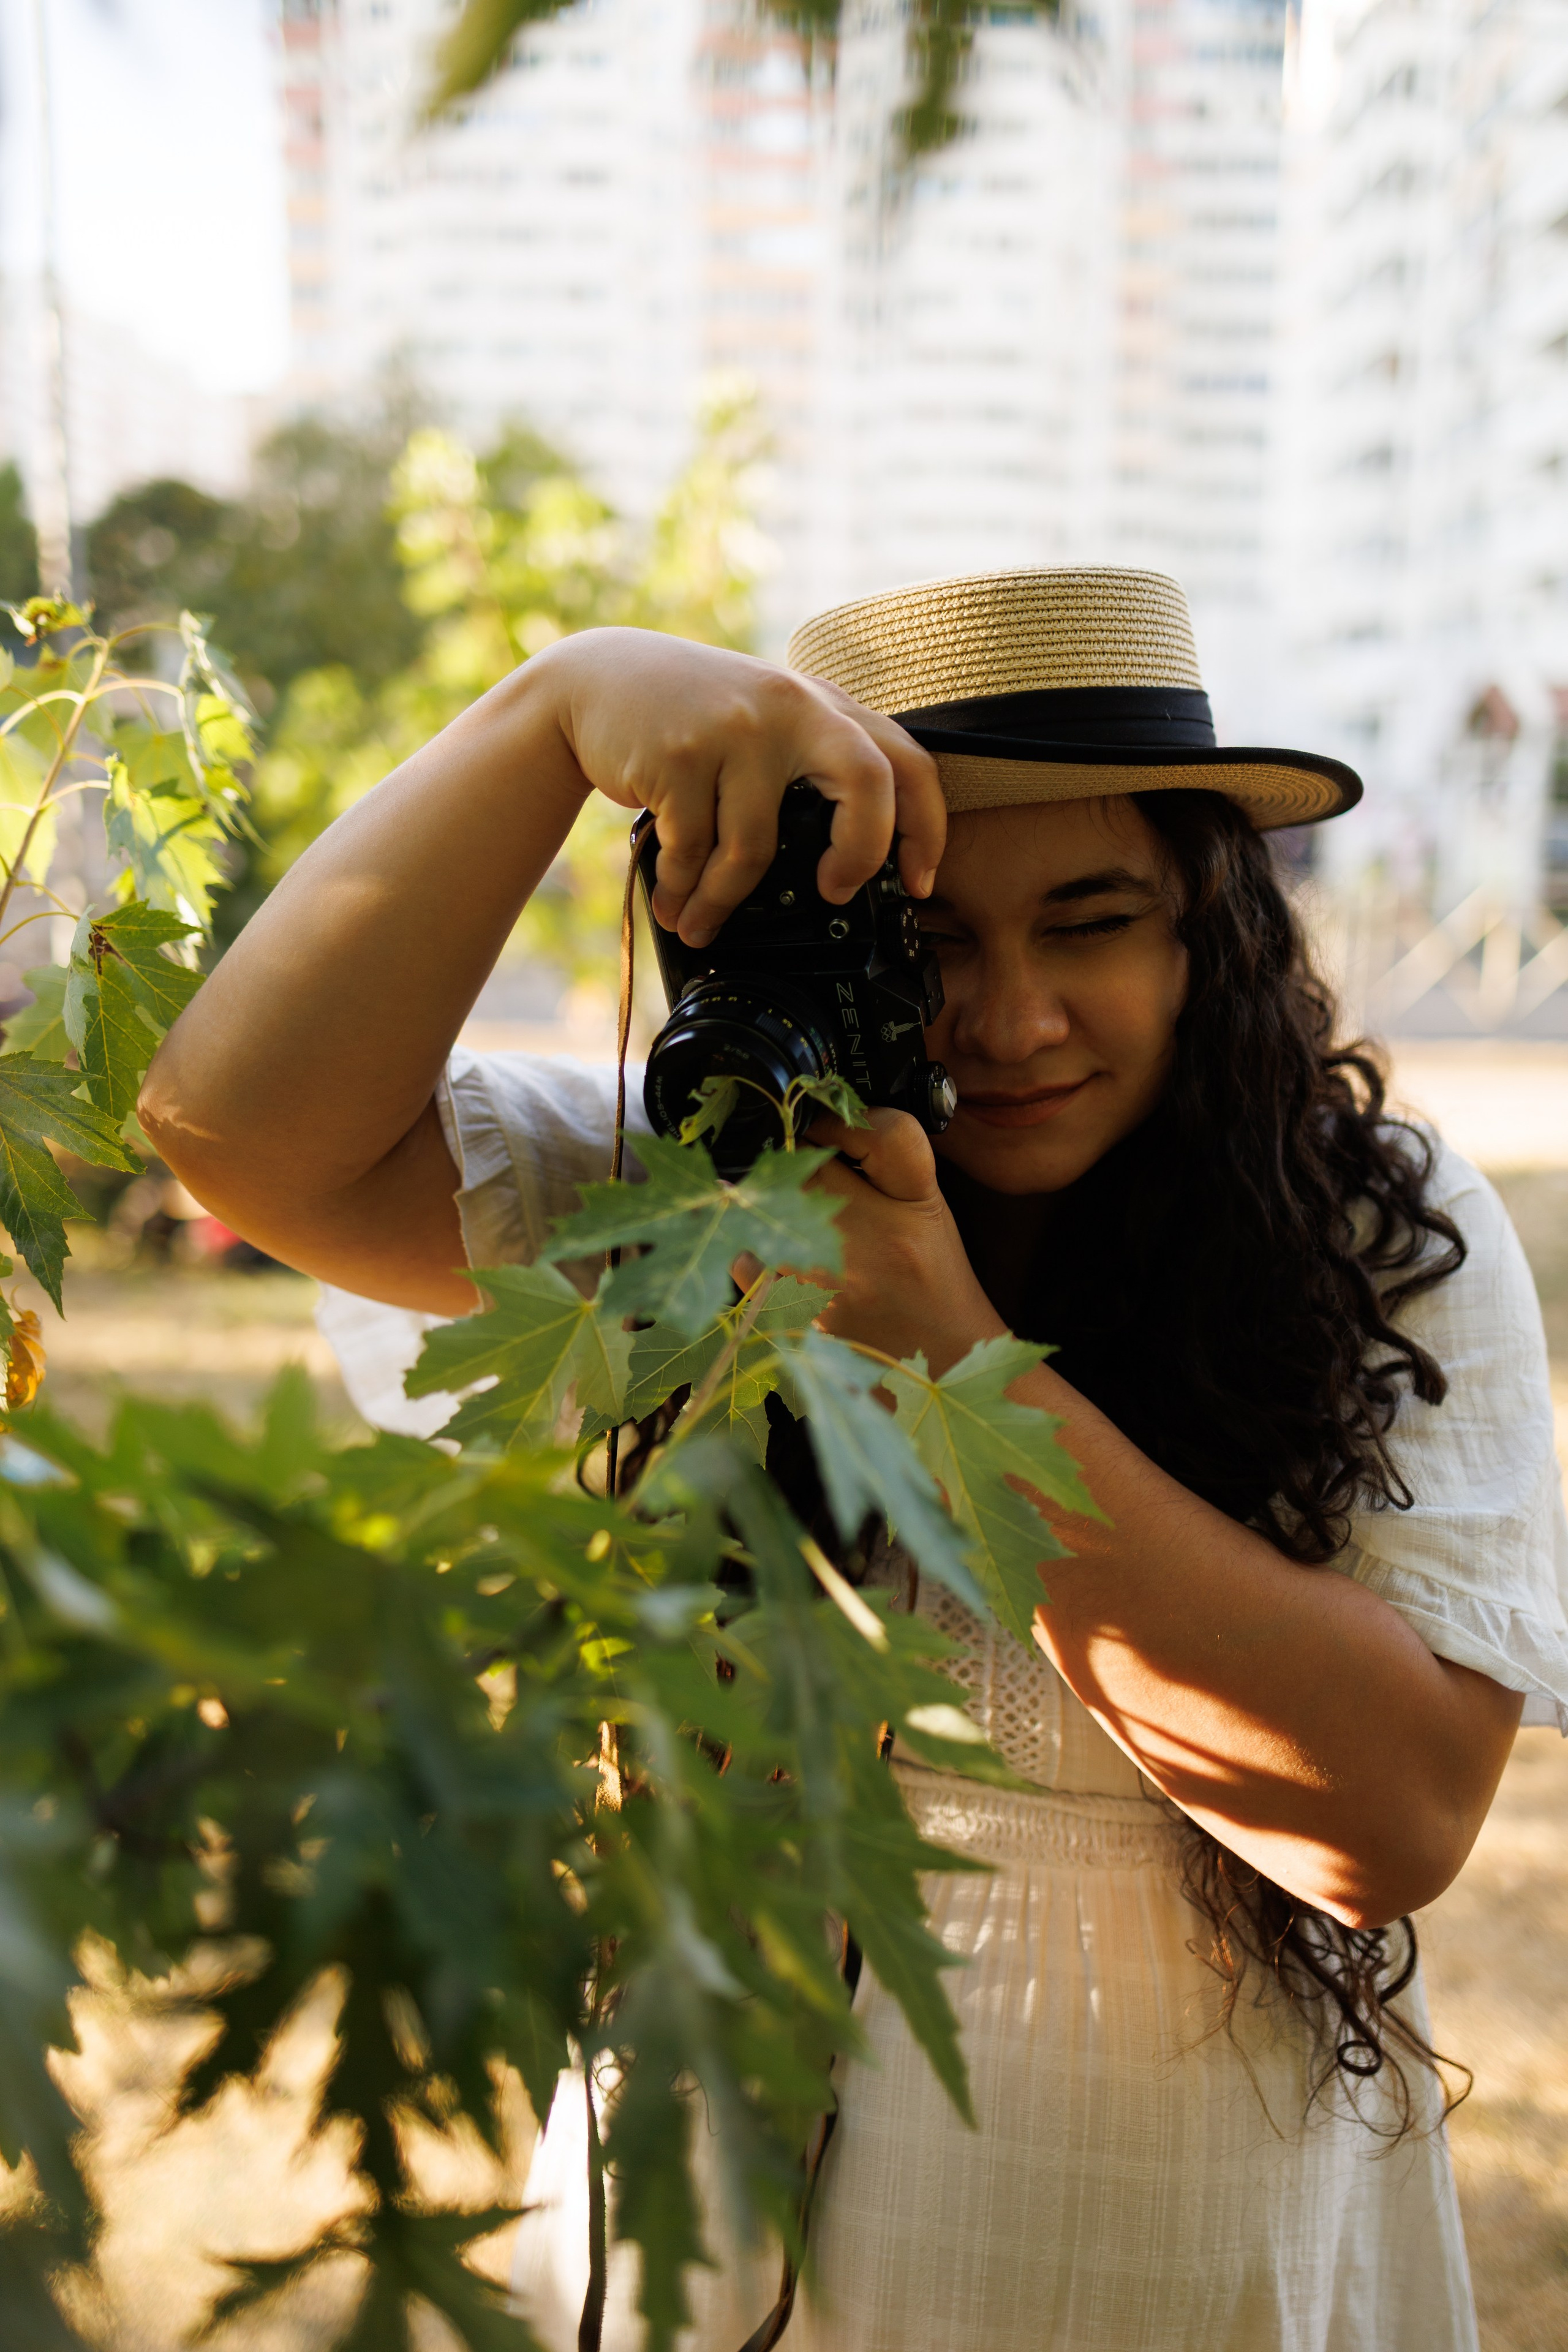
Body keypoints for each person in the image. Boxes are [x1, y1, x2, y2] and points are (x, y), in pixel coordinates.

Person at [141, 567, 1568, 2352]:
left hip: (1200, 2279)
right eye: (928, 944)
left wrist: (945, 1360)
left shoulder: (1376, 1238)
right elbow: (236, 1131)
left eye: (1093, 923)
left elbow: (1387, 1821)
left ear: (1208, 933)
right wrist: (554, 708)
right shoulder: (705, 1198)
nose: (1012, 1019)